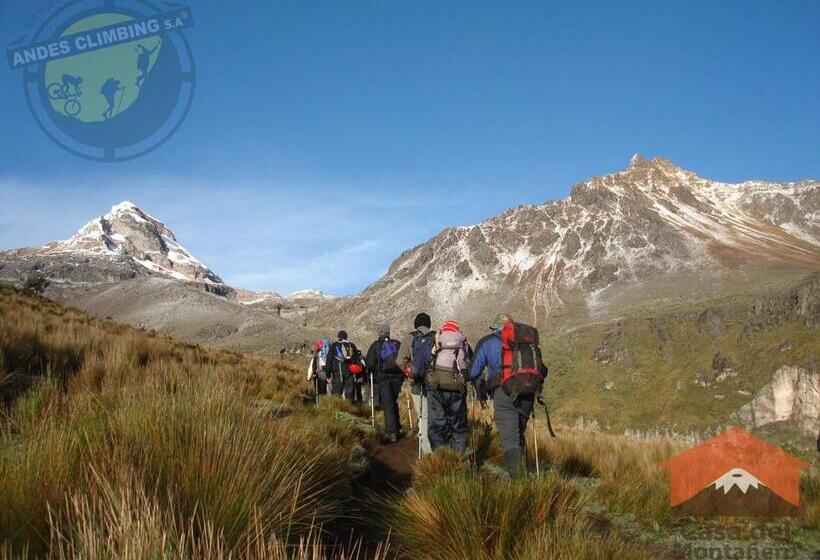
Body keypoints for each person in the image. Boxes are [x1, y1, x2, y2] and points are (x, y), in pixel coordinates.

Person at [469, 313, 548, 477]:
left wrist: (480, 386)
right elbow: (543, 370)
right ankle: (525, 473)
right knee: (518, 433)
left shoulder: (488, 342)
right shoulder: (526, 344)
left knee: (510, 439)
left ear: (495, 327)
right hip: (527, 392)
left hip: (503, 392)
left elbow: (473, 371)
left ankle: (519, 484)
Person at [412, 320, 470, 453]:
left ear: (443, 330)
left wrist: (420, 378)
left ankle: (440, 458)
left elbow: (415, 369)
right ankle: (457, 459)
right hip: (457, 389)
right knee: (458, 426)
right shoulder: (463, 343)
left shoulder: (434, 340)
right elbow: (469, 366)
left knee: (437, 424)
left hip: (435, 388)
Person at [401, 312, 435, 456]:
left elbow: (399, 360)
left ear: (416, 324)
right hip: (433, 383)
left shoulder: (409, 337)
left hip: (416, 383)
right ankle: (439, 448)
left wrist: (409, 374)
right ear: (429, 323)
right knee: (434, 415)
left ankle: (427, 451)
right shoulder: (435, 336)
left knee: (423, 415)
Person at [365, 325, 404, 443]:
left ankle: (392, 432)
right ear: (388, 333)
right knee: (393, 401)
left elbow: (369, 364)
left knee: (388, 404)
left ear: (379, 333)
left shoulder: (376, 345)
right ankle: (397, 426)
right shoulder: (397, 344)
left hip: (383, 379)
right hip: (397, 379)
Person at [326, 331, 360, 401]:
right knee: (349, 393)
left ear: (338, 337)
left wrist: (328, 375)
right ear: (346, 336)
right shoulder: (352, 345)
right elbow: (357, 360)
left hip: (338, 373)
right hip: (350, 372)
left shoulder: (334, 346)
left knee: (336, 393)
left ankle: (337, 410)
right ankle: (349, 409)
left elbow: (328, 361)